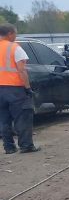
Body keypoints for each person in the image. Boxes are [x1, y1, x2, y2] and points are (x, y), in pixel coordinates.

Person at [0, 23, 38, 154]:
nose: (16, 36)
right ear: (10, 33)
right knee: (22, 117)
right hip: (14, 89)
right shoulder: (14, 48)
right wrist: (27, 88)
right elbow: (22, 70)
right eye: (15, 34)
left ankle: (9, 147)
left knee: (3, 119)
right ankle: (26, 145)